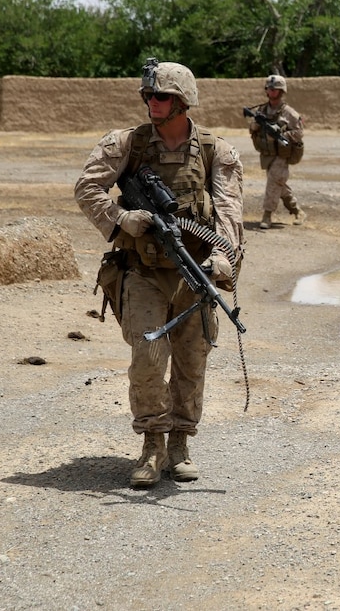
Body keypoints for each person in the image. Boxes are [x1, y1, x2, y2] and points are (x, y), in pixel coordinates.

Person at [75, 59, 245, 488]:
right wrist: (120, 219)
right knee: (148, 359)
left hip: (195, 271)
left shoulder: (215, 150)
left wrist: (224, 260)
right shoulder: (125, 144)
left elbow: (228, 210)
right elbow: (88, 187)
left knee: (192, 360)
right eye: (149, 95)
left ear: (183, 102)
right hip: (143, 270)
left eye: (163, 96)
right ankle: (152, 443)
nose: (153, 103)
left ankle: (181, 443)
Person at [249, 74, 306, 229]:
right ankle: (297, 211)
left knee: (274, 181)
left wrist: (280, 134)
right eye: (270, 89)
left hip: (282, 153)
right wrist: (255, 125)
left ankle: (267, 215)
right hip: (267, 154)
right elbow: (252, 128)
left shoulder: (290, 114)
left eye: (275, 89)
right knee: (278, 184)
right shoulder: (261, 110)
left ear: (282, 91)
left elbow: (299, 133)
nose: (272, 91)